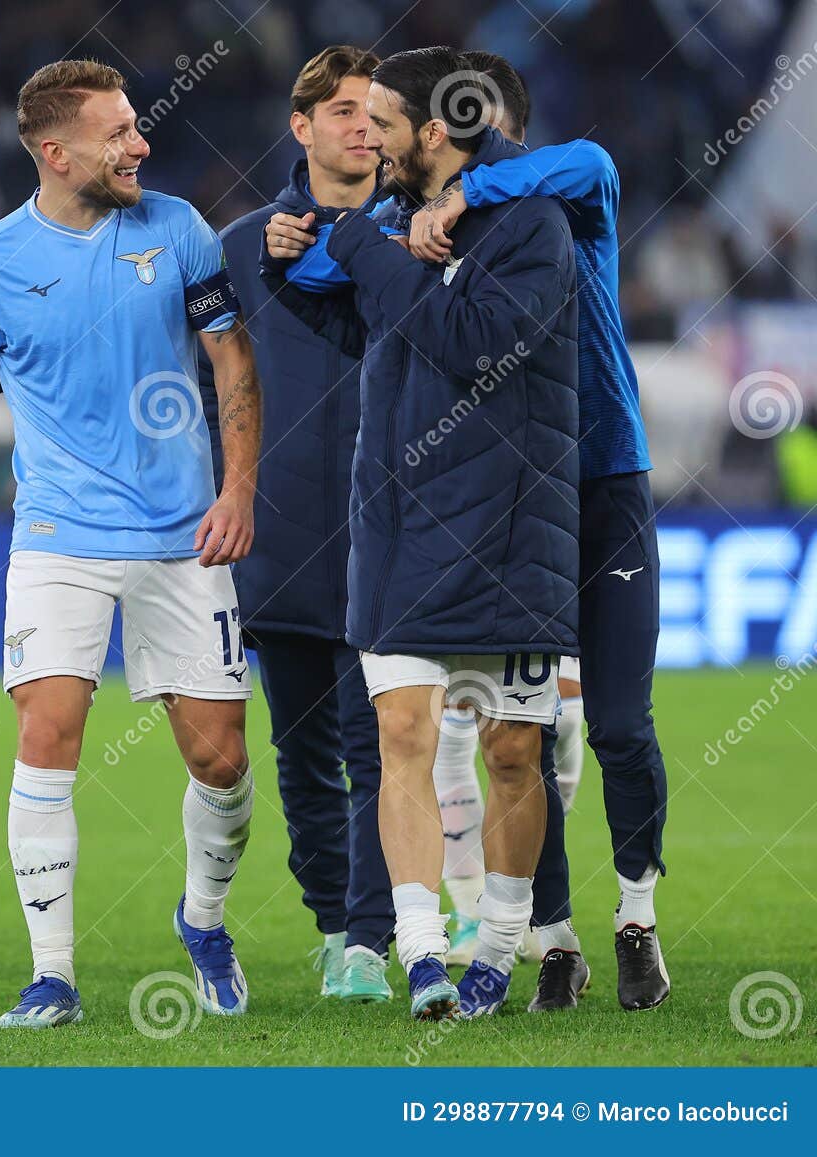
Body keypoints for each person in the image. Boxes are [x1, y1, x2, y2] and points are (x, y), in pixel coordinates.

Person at [0, 59, 261, 1029]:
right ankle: (52, 973)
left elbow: (232, 357)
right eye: (117, 133)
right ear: (55, 152)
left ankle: (202, 916)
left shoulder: (179, 230)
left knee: (222, 761)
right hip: (58, 535)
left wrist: (237, 489)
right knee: (47, 731)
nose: (139, 144)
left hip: (181, 535)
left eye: (136, 127)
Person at [261, 46, 580, 1019]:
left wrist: (355, 245)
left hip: (510, 524)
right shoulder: (398, 223)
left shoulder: (531, 226)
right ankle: (420, 948)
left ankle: (497, 942)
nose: (370, 141)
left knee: (515, 750)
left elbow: (469, 344)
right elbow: (383, 337)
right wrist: (296, 275)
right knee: (399, 731)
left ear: (432, 133)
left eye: (385, 125)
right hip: (398, 519)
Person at [407, 50, 670, 1012]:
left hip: (604, 483)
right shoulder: (427, 230)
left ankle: (636, 916)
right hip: (519, 498)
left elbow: (591, 159)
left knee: (617, 723)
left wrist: (466, 186)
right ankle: (555, 936)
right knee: (527, 730)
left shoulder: (564, 198)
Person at [209, 45, 395, 1004]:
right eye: (344, 112)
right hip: (276, 536)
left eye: (376, 113)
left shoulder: (424, 228)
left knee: (383, 749)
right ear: (303, 126)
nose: (363, 127)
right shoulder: (242, 244)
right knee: (301, 755)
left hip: (390, 535)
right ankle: (335, 921)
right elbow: (205, 382)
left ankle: (374, 936)